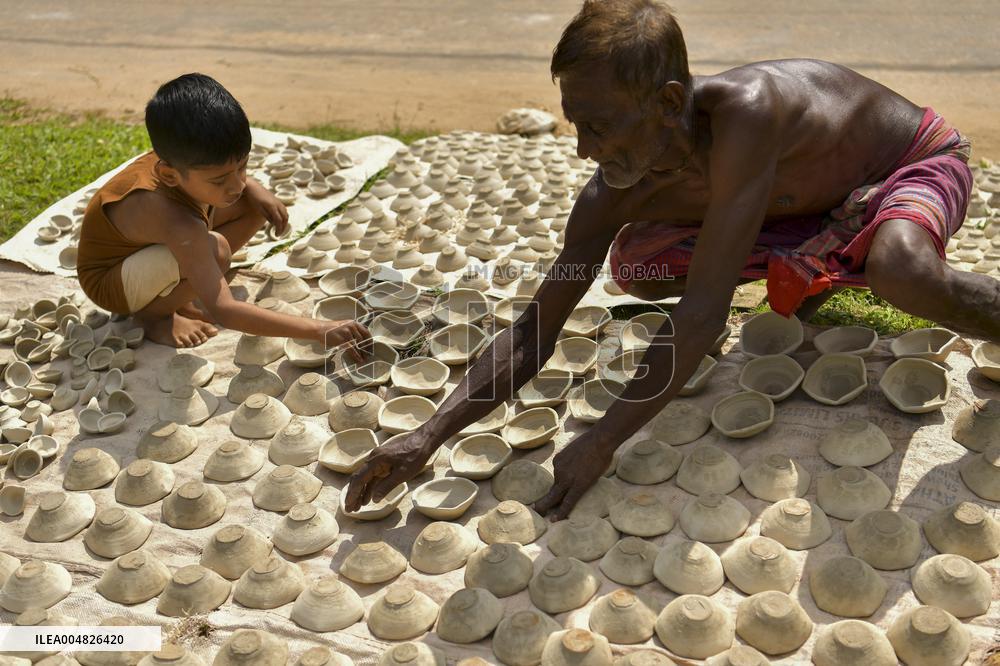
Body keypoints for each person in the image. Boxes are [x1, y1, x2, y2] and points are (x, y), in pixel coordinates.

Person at [346, 0, 999, 517]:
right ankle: (817, 266)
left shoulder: (748, 115)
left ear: (666, 103)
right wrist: (430, 432)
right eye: (575, 124)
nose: (581, 149)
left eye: (598, 126)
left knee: (902, 272)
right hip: (795, 209)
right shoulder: (608, 197)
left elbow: (702, 314)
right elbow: (534, 329)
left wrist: (602, 440)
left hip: (903, 166)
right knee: (636, 263)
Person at [77, 73, 370, 354]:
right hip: (110, 282)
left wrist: (253, 186)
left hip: (149, 251)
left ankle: (183, 282)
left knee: (254, 207)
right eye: (219, 180)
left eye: (242, 166)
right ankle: (154, 316)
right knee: (216, 249)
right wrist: (318, 330)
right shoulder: (177, 220)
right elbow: (225, 310)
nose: (236, 184)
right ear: (169, 175)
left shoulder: (183, 155)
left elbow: (230, 181)